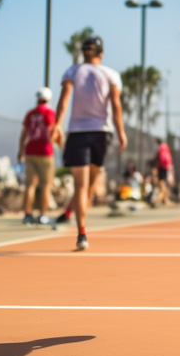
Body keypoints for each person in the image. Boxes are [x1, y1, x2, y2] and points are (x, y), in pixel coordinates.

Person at [54, 35, 126, 251]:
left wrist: (57, 124)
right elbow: (115, 105)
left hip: (77, 133)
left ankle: (79, 230)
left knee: (83, 186)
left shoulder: (73, 71)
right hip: (100, 133)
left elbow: (65, 99)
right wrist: (121, 132)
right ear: (101, 53)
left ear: (84, 53)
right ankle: (79, 229)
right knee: (89, 185)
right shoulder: (110, 74)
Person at [18, 87, 57, 227]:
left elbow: (24, 133)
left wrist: (20, 150)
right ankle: (43, 215)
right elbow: (51, 130)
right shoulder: (49, 112)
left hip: (30, 151)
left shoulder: (30, 113)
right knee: (46, 185)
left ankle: (27, 214)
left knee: (30, 186)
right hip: (45, 153)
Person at [154, 137, 174, 207]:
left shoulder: (161, 147)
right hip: (166, 168)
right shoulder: (165, 147)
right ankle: (162, 200)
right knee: (164, 185)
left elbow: (162, 159)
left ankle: (160, 199)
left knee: (163, 185)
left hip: (163, 168)